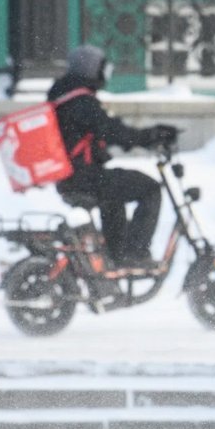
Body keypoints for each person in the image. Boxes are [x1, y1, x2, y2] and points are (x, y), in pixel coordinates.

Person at [47, 45, 178, 269]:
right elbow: (114, 132)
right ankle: (135, 253)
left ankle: (115, 256)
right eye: (101, 69)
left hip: (73, 177)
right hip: (84, 177)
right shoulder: (82, 102)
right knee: (149, 189)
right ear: (90, 70)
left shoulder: (65, 97)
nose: (104, 75)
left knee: (114, 195)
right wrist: (151, 136)